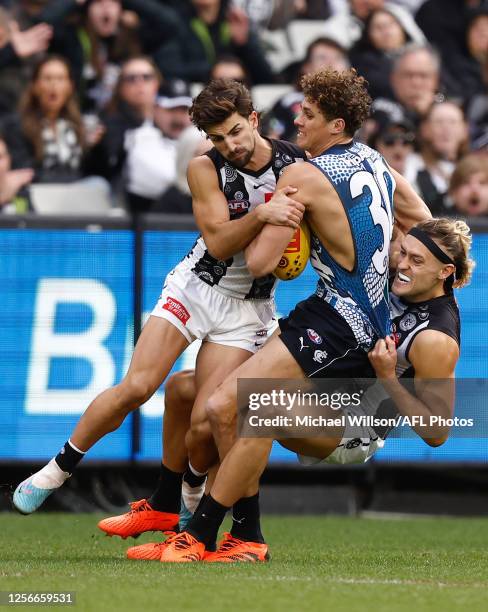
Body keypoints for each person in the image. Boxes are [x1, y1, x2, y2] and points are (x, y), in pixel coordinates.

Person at [151, 67, 432, 562]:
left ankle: (208, 535)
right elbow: (424, 222)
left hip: (339, 318)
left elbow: (262, 264)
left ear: (337, 125)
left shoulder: (301, 173)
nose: (298, 122)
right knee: (219, 406)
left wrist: (281, 226)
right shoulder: (375, 160)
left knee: (231, 408)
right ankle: (236, 534)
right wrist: (390, 255)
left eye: (309, 114)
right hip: (345, 311)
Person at [12, 79, 307, 534]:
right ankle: (57, 470)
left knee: (209, 418)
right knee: (137, 386)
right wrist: (262, 214)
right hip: (195, 287)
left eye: (234, 131)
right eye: (216, 138)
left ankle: (184, 503)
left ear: (253, 120)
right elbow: (219, 240)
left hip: (249, 307)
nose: (228, 145)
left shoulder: (297, 164)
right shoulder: (203, 169)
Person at [1, 55, 101, 185]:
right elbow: (25, 171)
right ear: (35, 85)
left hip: (76, 193)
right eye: (47, 79)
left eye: (60, 79)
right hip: (39, 193)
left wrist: (95, 148)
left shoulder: (76, 124)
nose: (54, 85)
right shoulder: (16, 125)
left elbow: (89, 169)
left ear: (70, 86)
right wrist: (73, 182)